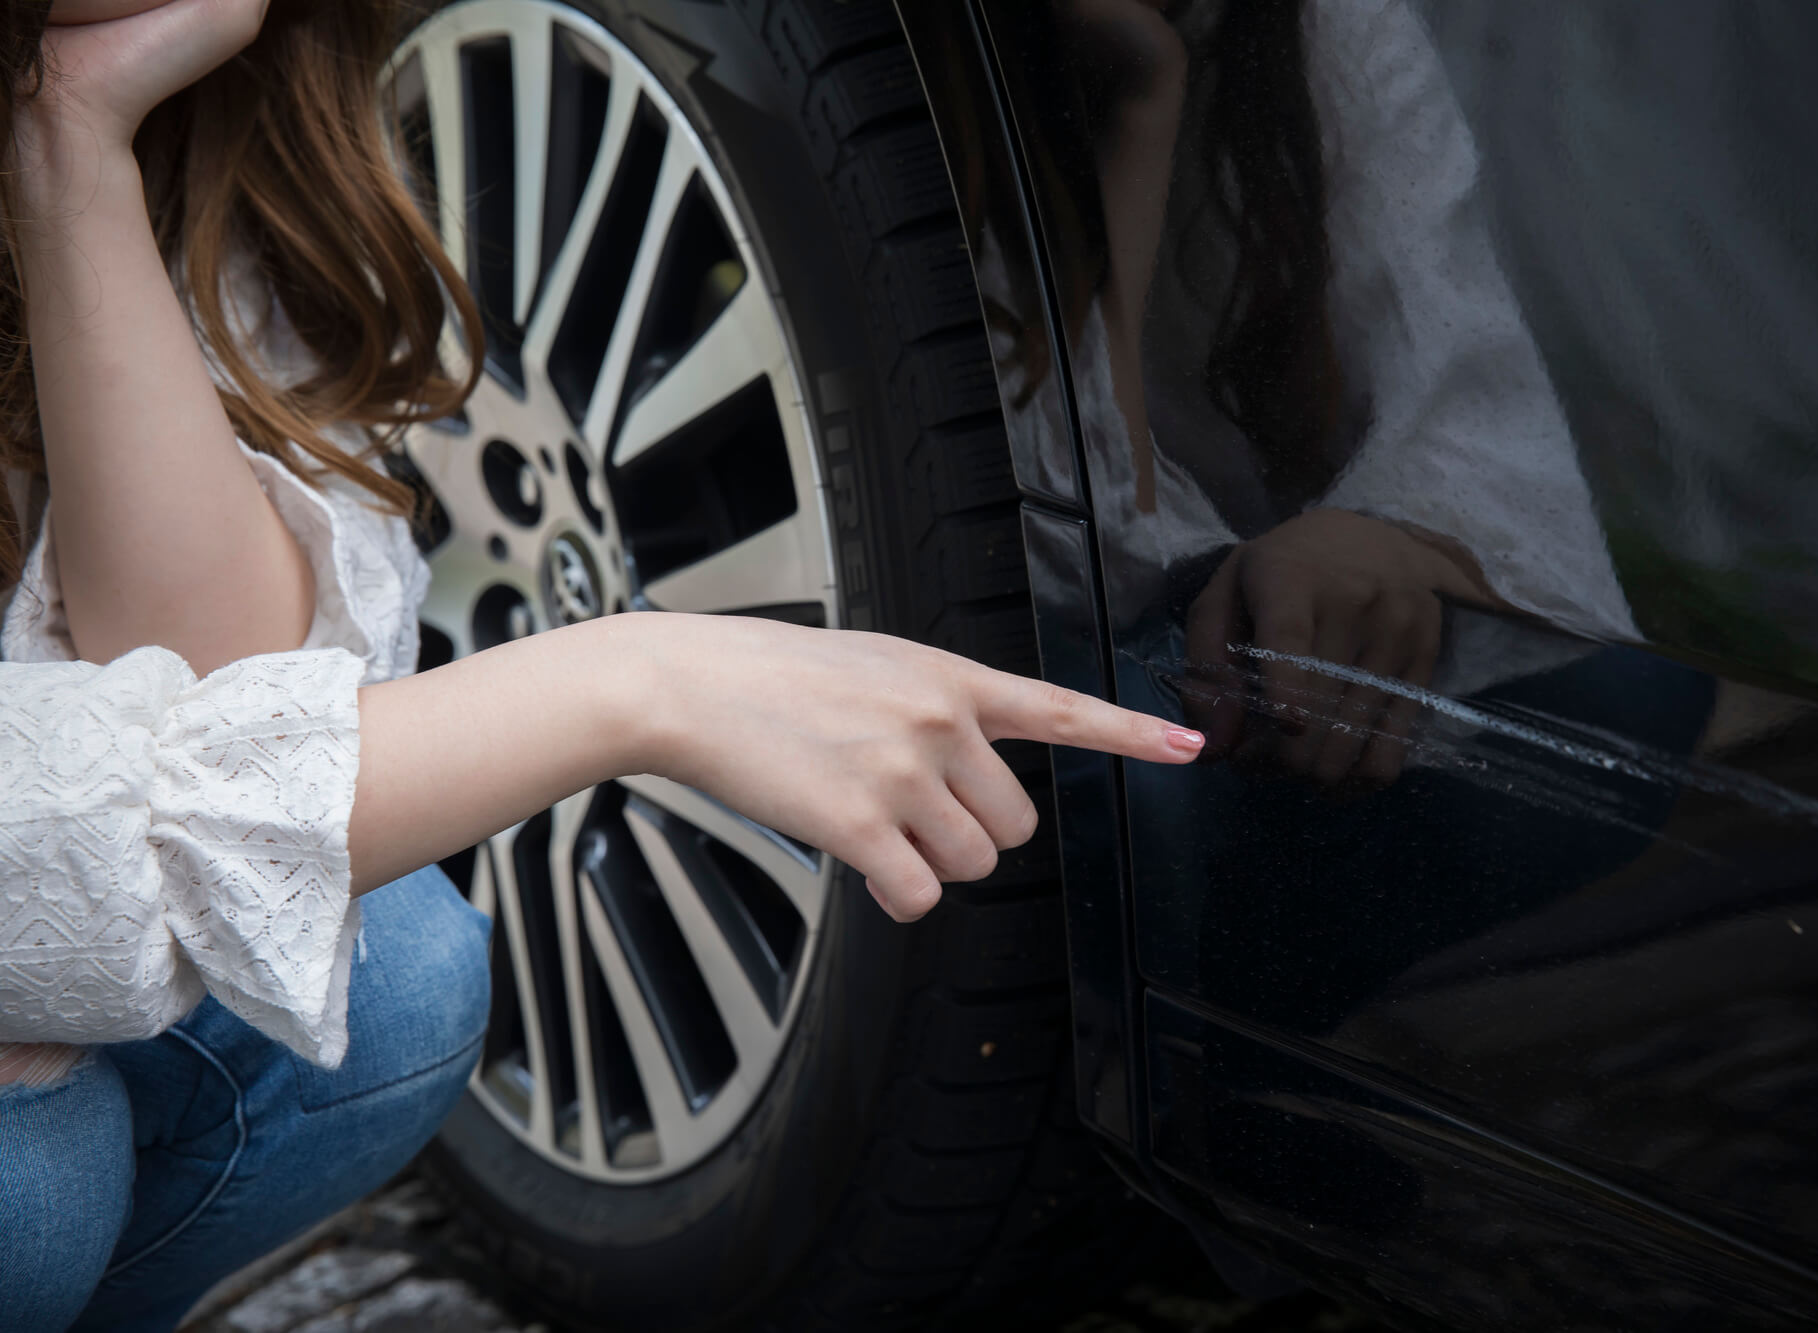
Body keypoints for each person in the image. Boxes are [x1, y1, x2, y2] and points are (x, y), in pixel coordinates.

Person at [0, 3, 1204, 1329]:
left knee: (393, 977)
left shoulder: (208, 121)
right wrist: (636, 686)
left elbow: (218, 695)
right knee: (35, 1170)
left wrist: (69, 149)